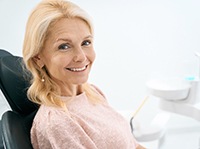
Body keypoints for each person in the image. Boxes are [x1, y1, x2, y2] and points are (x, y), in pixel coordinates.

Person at [22, 0, 145, 148]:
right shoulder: (57, 122)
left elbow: (132, 145)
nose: (81, 56)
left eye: (86, 43)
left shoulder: (92, 92)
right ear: (38, 57)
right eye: (64, 46)